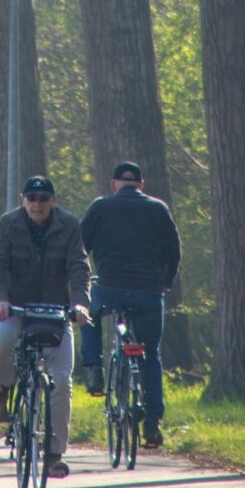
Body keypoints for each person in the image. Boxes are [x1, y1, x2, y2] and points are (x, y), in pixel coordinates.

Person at [0, 175, 90, 478]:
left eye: (43, 199)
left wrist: (80, 304)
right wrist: (0, 301)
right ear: (23, 199)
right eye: (31, 198)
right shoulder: (8, 224)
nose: (37, 204)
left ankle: (54, 455)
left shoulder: (69, 225)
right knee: (3, 339)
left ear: (53, 201)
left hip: (56, 311)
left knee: (61, 381)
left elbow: (79, 267)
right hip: (15, 308)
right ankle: (2, 388)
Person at [78, 160, 181, 447]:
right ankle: (152, 424)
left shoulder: (100, 207)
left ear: (114, 185)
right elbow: (174, 250)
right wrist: (165, 282)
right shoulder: (158, 209)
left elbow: (79, 248)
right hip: (149, 292)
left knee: (88, 313)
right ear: (141, 185)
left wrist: (81, 280)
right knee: (151, 354)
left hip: (109, 289)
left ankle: (93, 368)